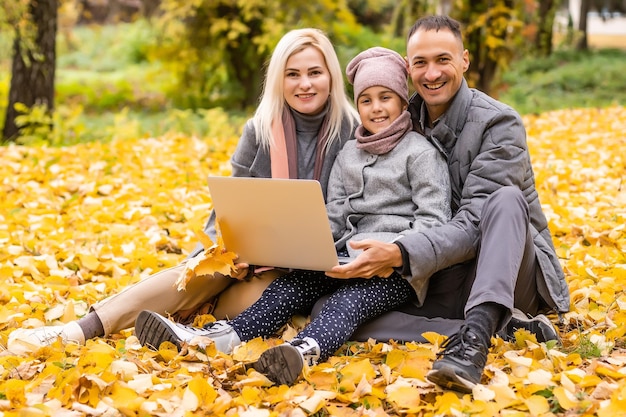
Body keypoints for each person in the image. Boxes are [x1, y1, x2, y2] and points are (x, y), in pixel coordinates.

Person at [7, 28, 359, 352]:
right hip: (248, 257)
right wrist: (216, 253)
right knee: (196, 274)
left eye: (315, 72)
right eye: (292, 74)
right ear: (278, 80)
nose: (305, 84)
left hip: (305, 275)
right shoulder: (259, 131)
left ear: (331, 75)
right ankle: (76, 330)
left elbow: (355, 213)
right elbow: (228, 206)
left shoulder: (352, 133)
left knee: (251, 302)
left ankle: (182, 321)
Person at [133, 46, 452, 386]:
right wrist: (301, 247)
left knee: (346, 302)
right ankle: (217, 338)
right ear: (358, 106)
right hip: (344, 258)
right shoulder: (349, 154)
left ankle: (303, 351)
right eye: (366, 100)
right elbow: (335, 214)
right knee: (288, 287)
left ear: (403, 101)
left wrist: (395, 254)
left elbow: (433, 222)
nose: (376, 108)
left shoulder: (421, 154)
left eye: (386, 98)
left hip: (394, 271)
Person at [316, 15, 570, 394]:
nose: (431, 73)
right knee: (330, 313)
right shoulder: (400, 120)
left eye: (443, 60)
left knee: (505, 200)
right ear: (407, 68)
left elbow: (472, 225)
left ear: (464, 60)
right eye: (420, 63)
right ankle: (491, 327)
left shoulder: (499, 124)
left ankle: (474, 344)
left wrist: (399, 252)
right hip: (440, 274)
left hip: (506, 269)